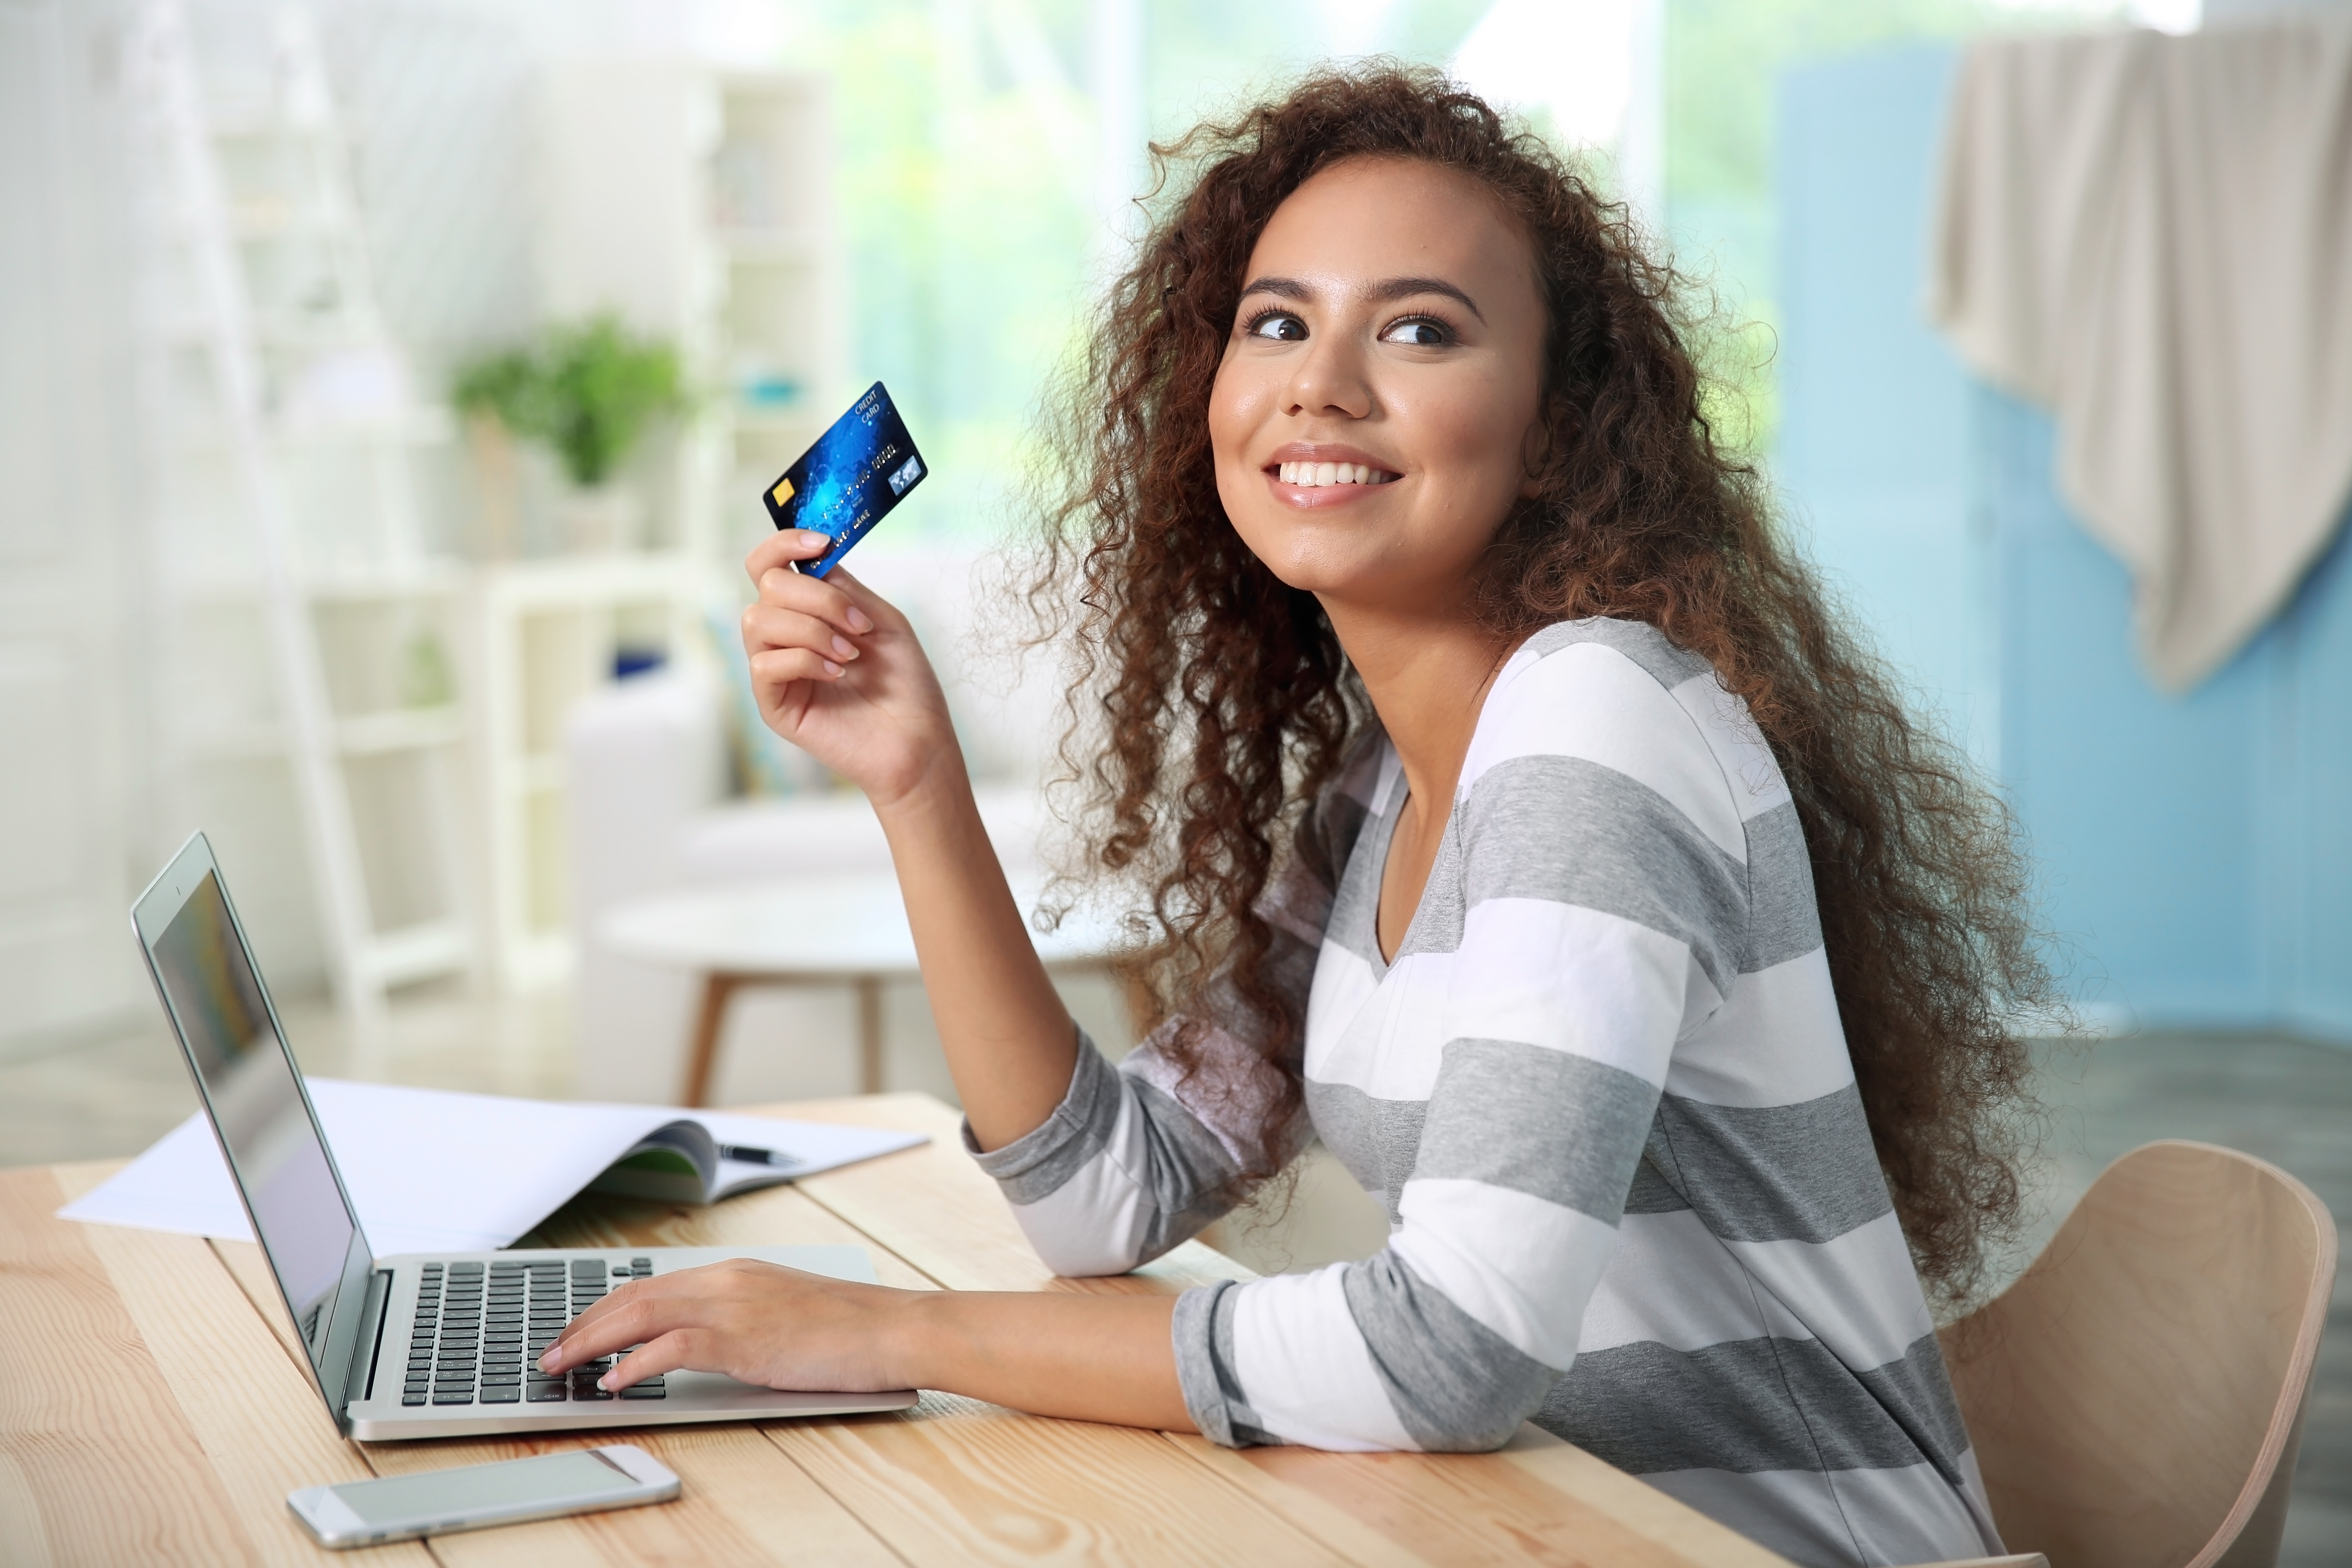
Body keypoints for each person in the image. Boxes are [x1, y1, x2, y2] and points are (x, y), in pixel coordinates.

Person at [540, 66, 2053, 1568]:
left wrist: (887, 1334)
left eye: (1419, 328)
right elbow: (1103, 1194)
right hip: (1541, 1527)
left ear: (1557, 424)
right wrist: (917, 781)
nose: (1322, 379)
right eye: (1279, 321)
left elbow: (1448, 1351)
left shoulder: (1601, 725)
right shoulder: (1379, 792)